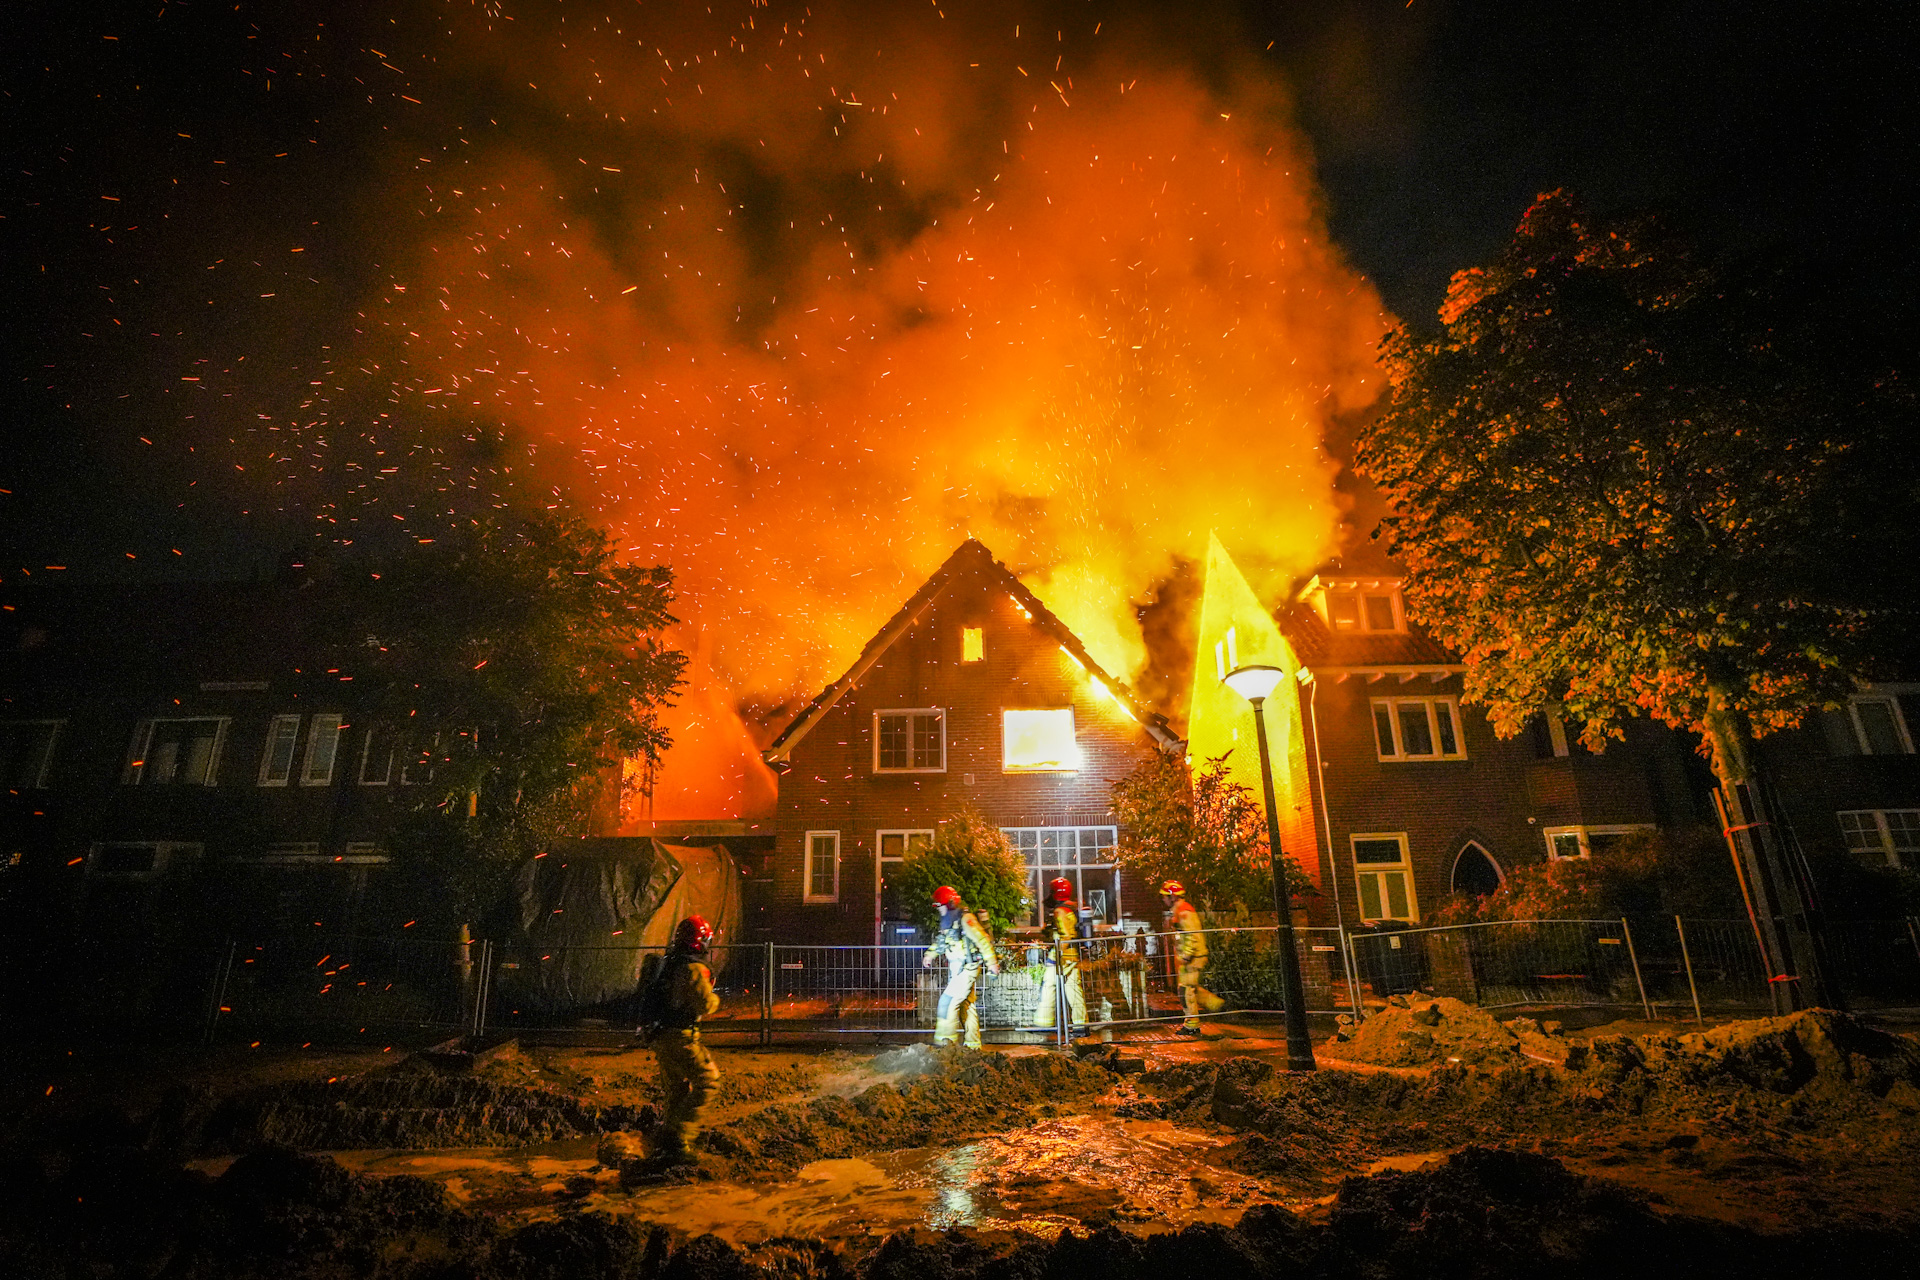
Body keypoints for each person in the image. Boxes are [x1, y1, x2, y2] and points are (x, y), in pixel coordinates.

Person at [635, 915, 723, 1162]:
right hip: (680, 1037)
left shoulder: (669, 962)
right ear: (699, 940)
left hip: (660, 1035)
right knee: (708, 1080)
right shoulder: (692, 968)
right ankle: (679, 1138)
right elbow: (704, 1003)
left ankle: (667, 1139)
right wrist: (716, 998)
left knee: (677, 1089)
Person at [921, 884, 1000, 1049]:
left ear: (949, 904)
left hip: (967, 968)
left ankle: (945, 1047)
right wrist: (930, 954)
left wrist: (992, 962)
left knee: (947, 1002)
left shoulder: (965, 919)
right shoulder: (949, 921)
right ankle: (973, 1045)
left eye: (940, 907)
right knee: (967, 1006)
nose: (939, 911)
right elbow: (941, 942)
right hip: (958, 969)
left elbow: (981, 939)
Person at [1161, 880, 1224, 1036]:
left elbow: (1191, 935)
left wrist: (1186, 955)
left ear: (1172, 896)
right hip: (1193, 956)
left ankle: (1192, 1025)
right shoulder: (1180, 909)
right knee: (1190, 988)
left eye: (1164, 896)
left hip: (1193, 957)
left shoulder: (1183, 911)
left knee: (1186, 990)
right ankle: (1217, 1005)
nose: (1163, 899)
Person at [1033, 876, 1088, 1036]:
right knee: (1073, 990)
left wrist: (1054, 957)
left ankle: (1043, 1023)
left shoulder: (1060, 911)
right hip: (1072, 955)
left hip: (1061, 956)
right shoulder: (1071, 909)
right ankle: (1080, 1026)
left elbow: (1065, 936)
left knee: (1048, 986)